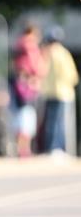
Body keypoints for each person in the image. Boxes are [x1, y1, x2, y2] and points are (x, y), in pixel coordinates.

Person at [41, 25, 79, 154]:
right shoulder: (63, 53)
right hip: (63, 93)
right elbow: (73, 76)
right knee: (59, 123)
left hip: (50, 93)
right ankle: (56, 148)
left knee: (52, 122)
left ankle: (52, 148)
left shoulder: (47, 53)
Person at [9, 22, 45, 157]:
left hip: (24, 85)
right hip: (27, 87)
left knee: (24, 117)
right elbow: (33, 67)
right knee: (25, 117)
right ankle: (23, 149)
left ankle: (23, 148)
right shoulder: (28, 45)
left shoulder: (20, 46)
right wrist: (33, 78)